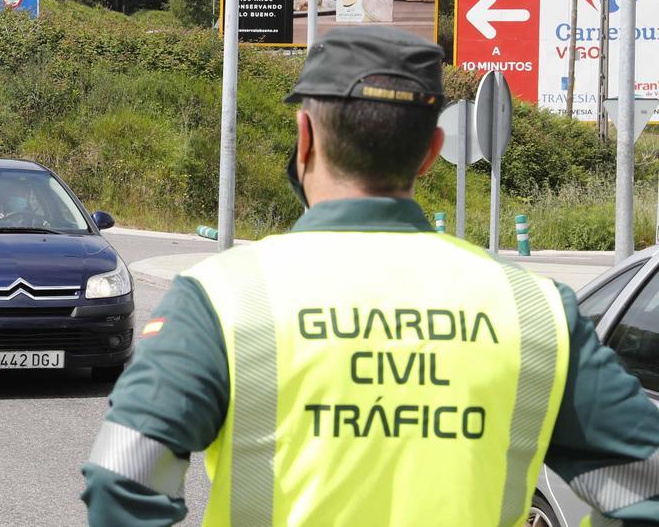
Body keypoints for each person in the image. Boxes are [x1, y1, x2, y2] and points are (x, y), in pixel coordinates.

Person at [80, 27, 659, 526]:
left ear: (305, 137)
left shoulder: (223, 299)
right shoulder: (535, 311)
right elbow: (649, 487)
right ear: (431, 153)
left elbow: (123, 476)